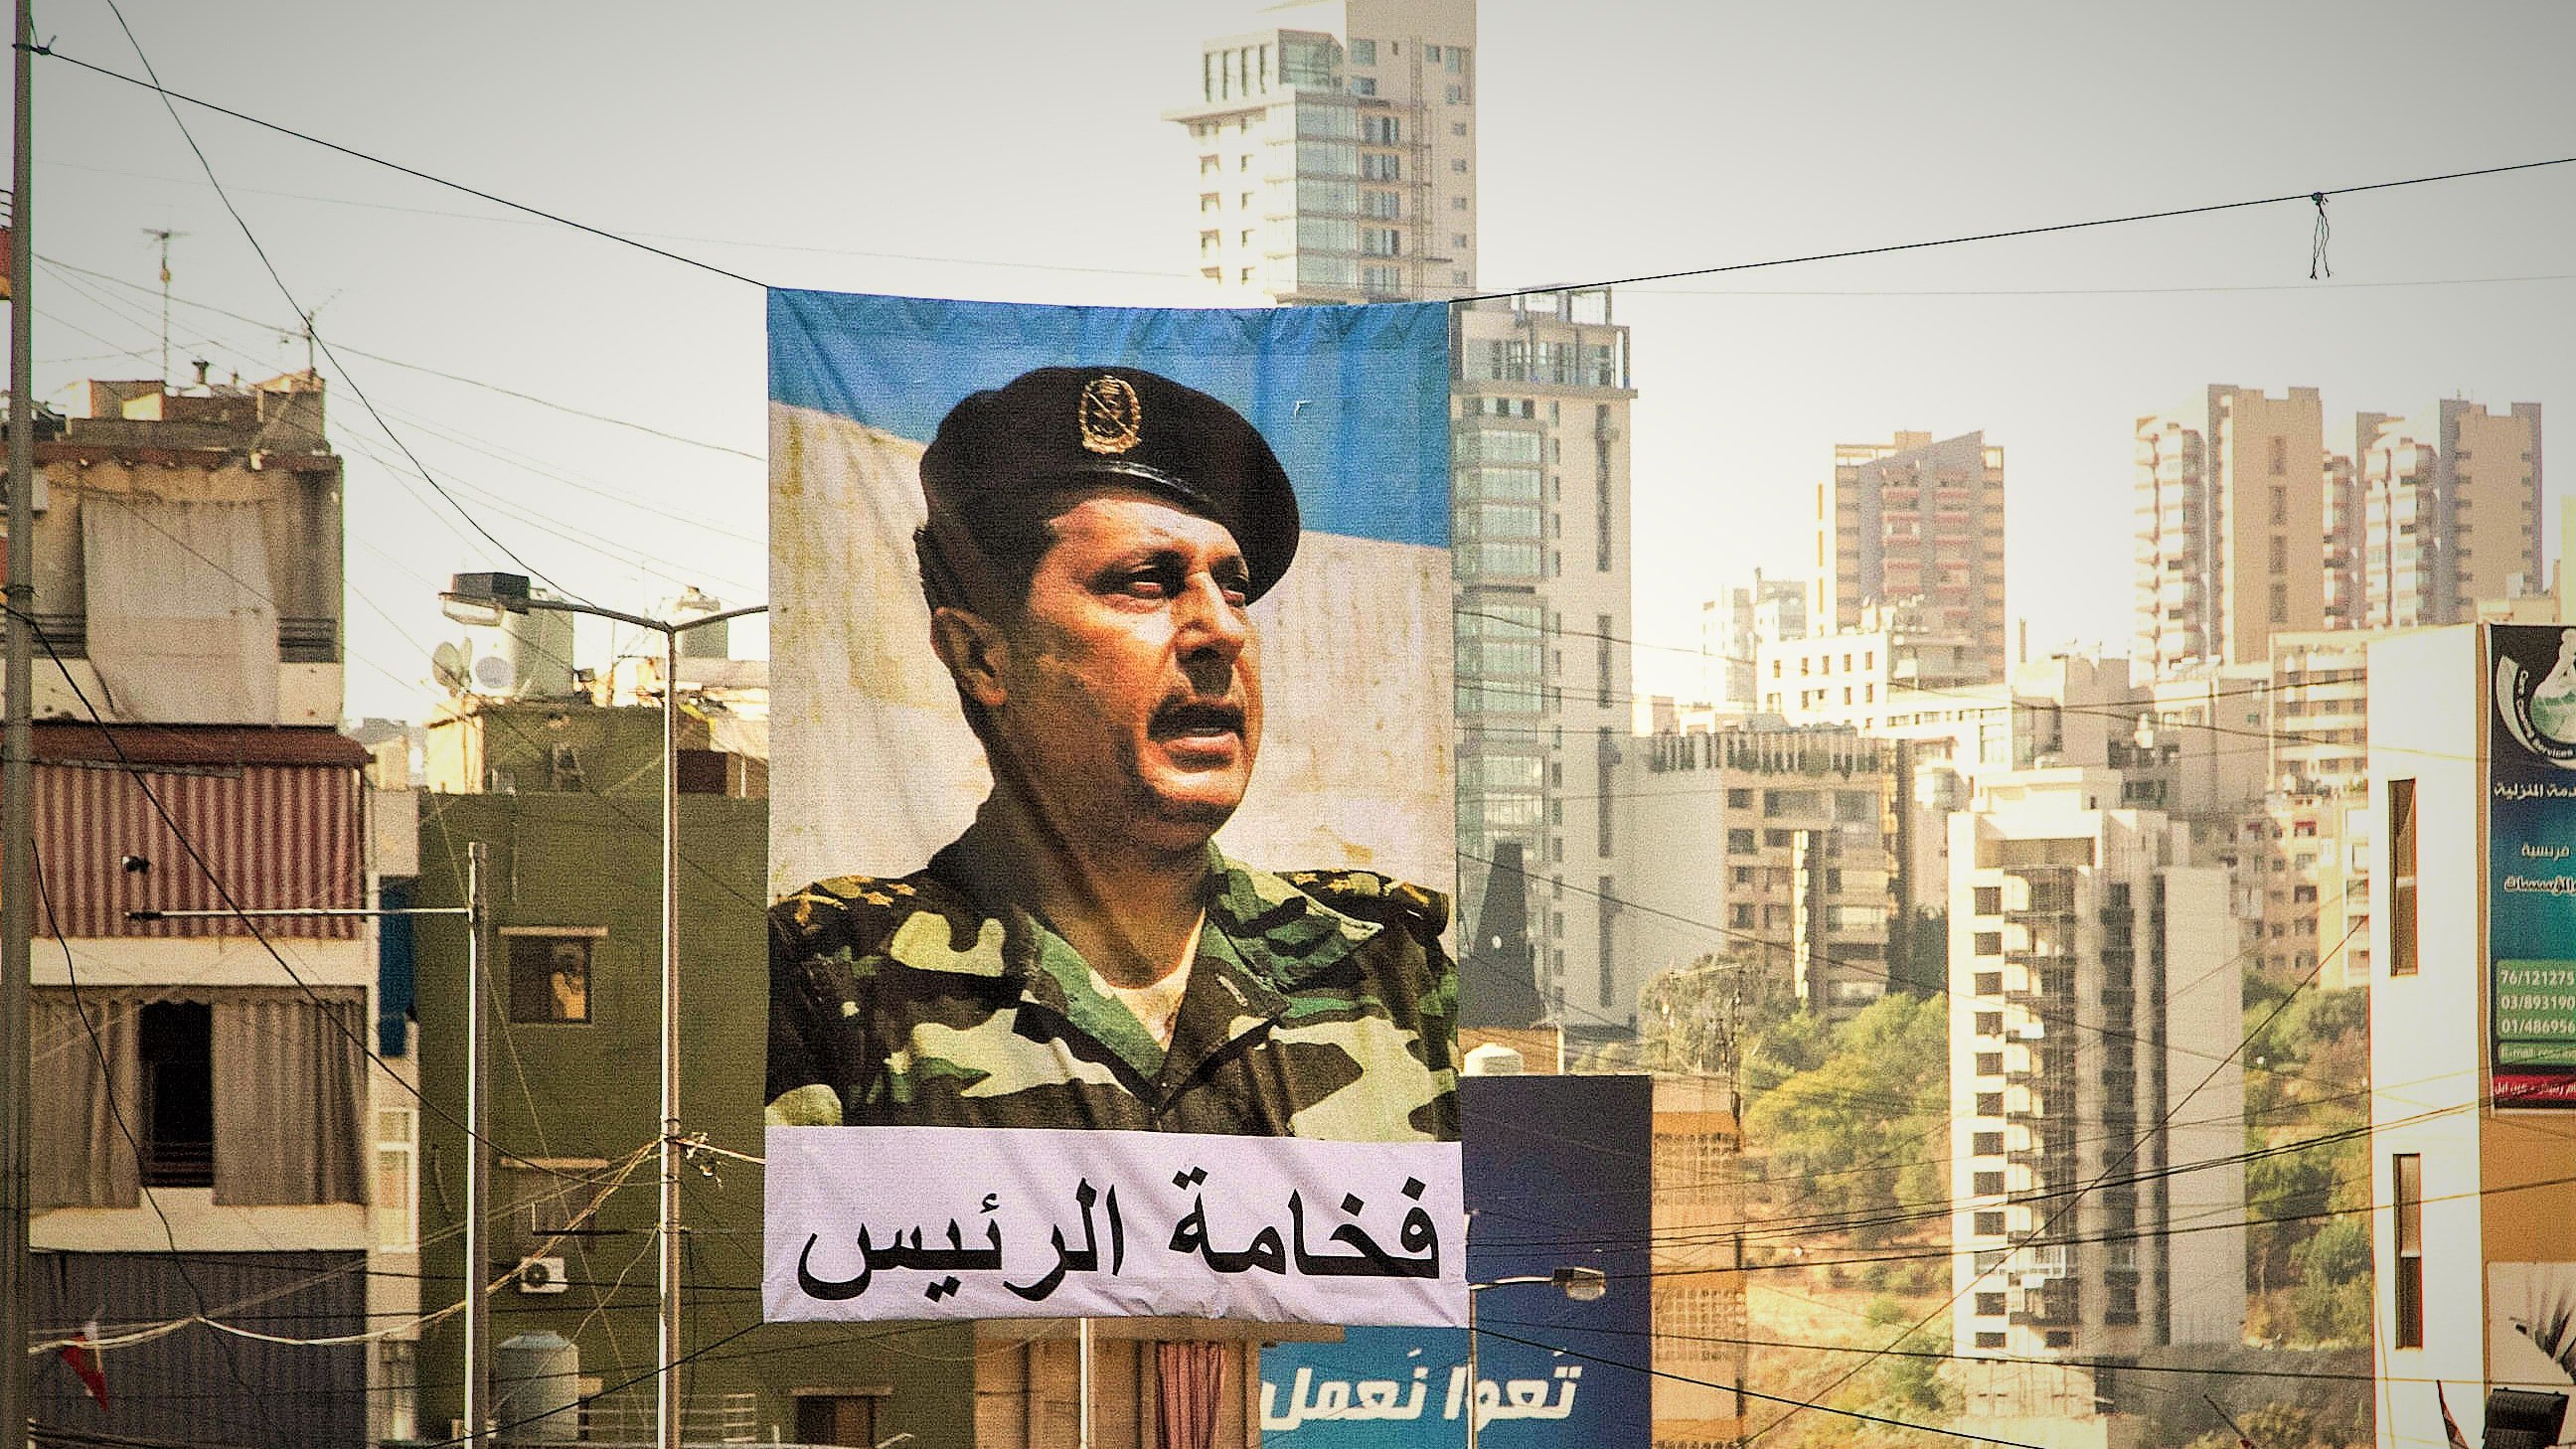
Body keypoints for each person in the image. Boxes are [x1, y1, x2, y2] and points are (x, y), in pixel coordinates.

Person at [766, 366, 1459, 1142]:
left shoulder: (1393, 972)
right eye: (1146, 583)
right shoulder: (830, 988)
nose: (1223, 631)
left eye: (1232, 589)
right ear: (981, 658)